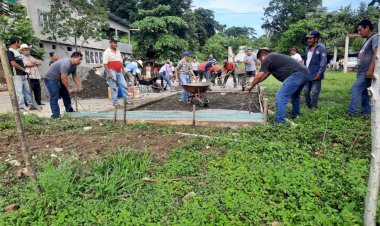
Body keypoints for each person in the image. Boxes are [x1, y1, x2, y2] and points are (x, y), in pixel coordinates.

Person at [247, 48, 310, 124]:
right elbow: (264, 76)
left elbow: (259, 74)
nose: (261, 62)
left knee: (280, 97)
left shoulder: (269, 57)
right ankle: (295, 115)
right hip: (304, 73)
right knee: (295, 95)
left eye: (260, 60)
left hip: (297, 74)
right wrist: (254, 84)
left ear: (263, 56)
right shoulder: (273, 60)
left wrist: (251, 86)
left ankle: (280, 123)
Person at [348, 19, 378, 116]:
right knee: (365, 92)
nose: (359, 32)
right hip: (362, 72)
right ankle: (366, 112)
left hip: (367, 71)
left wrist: (371, 69)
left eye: (360, 30)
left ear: (367, 28)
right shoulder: (367, 40)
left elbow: (376, 54)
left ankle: (352, 112)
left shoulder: (375, 38)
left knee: (355, 89)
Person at [44, 52, 83, 118]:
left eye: (81, 59)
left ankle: (69, 110)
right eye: (79, 59)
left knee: (66, 94)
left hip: (59, 78)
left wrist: (79, 85)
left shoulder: (74, 65)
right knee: (54, 96)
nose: (80, 61)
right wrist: (69, 88)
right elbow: (63, 77)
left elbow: (74, 76)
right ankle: (56, 115)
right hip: (51, 79)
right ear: (73, 57)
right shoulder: (66, 63)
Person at [7, 36, 34, 111]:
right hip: (17, 75)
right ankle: (21, 107)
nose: (20, 43)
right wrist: (24, 70)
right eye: (20, 41)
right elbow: (13, 63)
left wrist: (25, 70)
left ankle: (31, 104)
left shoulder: (17, 51)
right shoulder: (10, 51)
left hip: (23, 74)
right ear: (16, 42)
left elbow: (20, 63)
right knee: (19, 92)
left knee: (27, 90)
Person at [103, 38, 132, 106]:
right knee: (113, 86)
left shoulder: (118, 50)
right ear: (111, 43)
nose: (116, 44)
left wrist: (123, 69)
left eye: (116, 43)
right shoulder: (107, 52)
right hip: (112, 70)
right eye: (115, 42)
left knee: (124, 85)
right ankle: (115, 102)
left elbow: (120, 61)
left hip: (119, 71)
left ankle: (126, 100)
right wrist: (109, 73)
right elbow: (105, 64)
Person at [303, 30, 327, 109]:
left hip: (316, 74)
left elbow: (323, 61)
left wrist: (320, 73)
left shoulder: (321, 48)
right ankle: (308, 105)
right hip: (307, 73)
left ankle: (314, 107)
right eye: (308, 38)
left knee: (314, 92)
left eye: (310, 38)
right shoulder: (307, 49)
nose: (308, 40)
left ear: (316, 39)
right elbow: (306, 61)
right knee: (306, 91)